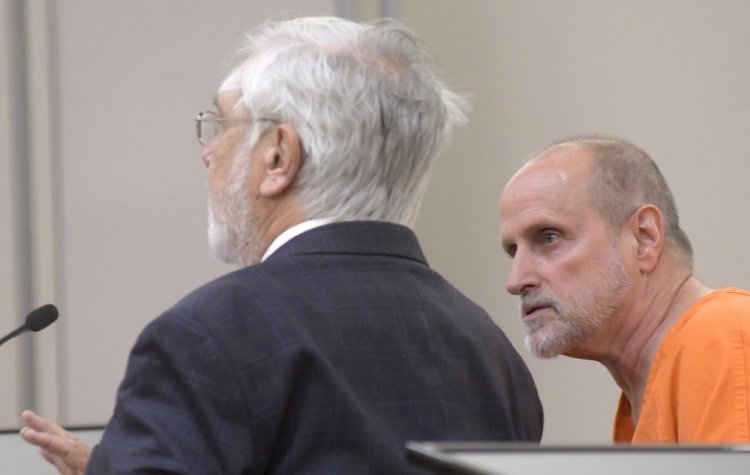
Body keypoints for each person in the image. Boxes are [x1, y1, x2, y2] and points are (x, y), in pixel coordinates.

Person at [21, 16, 543, 474]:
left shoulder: (206, 337)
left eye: (221, 124)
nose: (209, 154)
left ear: (278, 158)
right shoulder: (491, 355)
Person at [498, 135, 750, 443]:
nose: (516, 280)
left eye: (548, 237)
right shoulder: (645, 388)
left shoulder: (722, 336)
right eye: (513, 250)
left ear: (644, 238)